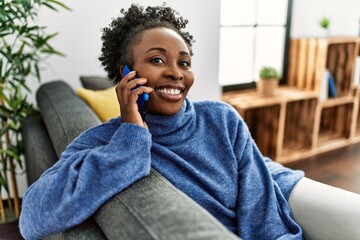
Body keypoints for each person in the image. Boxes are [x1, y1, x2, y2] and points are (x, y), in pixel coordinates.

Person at [19, 4, 305, 239]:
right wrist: (131, 137)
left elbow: (263, 214)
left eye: (184, 63)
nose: (176, 73)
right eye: (157, 60)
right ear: (127, 73)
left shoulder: (222, 119)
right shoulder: (106, 141)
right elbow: (32, 219)